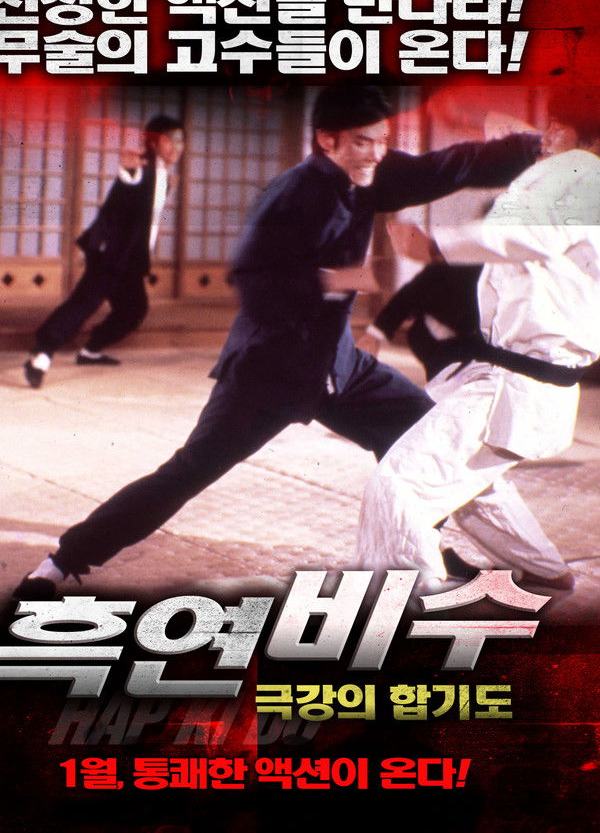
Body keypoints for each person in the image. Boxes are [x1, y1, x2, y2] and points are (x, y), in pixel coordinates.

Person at [13, 85, 542, 598]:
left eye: (382, 140)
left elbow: (449, 166)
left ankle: (424, 547)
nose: (376, 153)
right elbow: (255, 283)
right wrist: (341, 279)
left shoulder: (372, 173)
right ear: (327, 140)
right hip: (270, 371)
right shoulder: (290, 195)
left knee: (425, 436)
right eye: (363, 141)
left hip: (340, 366)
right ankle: (61, 563)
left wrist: (535, 151)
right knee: (187, 472)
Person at [356, 87, 600, 593]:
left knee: (399, 485)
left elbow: (524, 234)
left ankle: (399, 606)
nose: (548, 136)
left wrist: (436, 246)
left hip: (517, 380)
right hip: (526, 376)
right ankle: (546, 570)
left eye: (558, 125)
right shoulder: (580, 178)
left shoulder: (579, 171)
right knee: (464, 476)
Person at [23, 115, 185, 389]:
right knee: (84, 303)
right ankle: (40, 356)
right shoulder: (141, 167)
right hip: (111, 254)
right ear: (153, 142)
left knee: (133, 308)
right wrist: (127, 171)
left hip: (131, 258)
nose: (176, 146)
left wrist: (167, 188)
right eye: (169, 139)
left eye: (180, 140)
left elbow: (142, 211)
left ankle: (90, 351)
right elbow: (128, 184)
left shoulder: (164, 176)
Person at [360, 260, 483, 380]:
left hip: (475, 343)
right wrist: (376, 332)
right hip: (435, 339)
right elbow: (415, 290)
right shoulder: (460, 259)